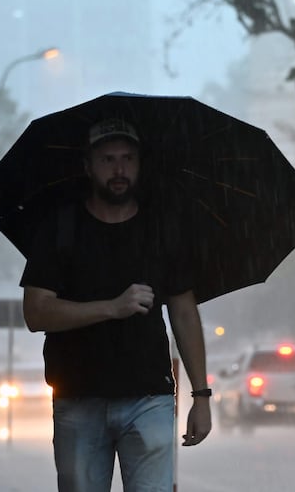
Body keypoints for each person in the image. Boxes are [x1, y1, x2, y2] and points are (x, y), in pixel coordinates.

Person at [20, 117, 211, 492]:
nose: (119, 169)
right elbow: (35, 312)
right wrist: (112, 307)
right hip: (77, 396)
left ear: (140, 164)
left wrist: (201, 396)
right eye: (107, 159)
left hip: (149, 397)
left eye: (128, 158)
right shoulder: (61, 228)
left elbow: (185, 313)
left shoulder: (161, 229)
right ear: (87, 166)